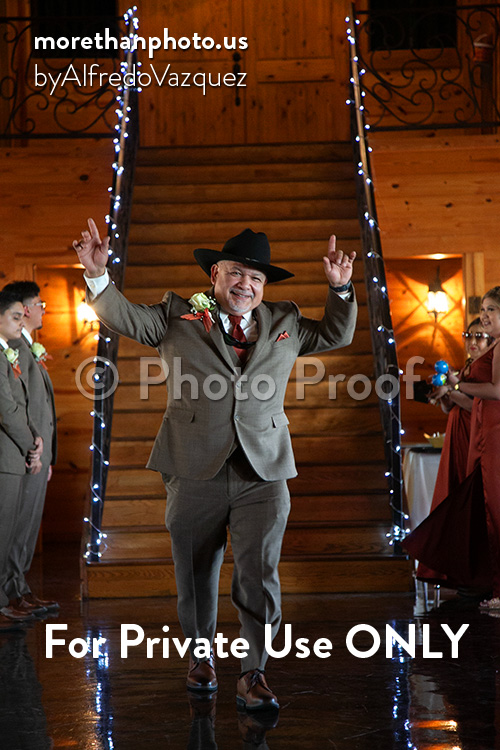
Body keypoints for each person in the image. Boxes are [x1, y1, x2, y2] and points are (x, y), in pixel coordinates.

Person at [74, 219, 357, 709]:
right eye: (235, 273)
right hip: (192, 465)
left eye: (256, 277)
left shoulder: (286, 319)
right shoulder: (175, 314)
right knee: (195, 572)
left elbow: (336, 333)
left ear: (264, 286)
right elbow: (126, 318)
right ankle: (200, 657)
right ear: (215, 276)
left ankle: (254, 672)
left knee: (259, 575)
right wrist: (98, 276)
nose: (245, 284)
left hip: (263, 470)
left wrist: (341, 288)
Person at [405, 287, 500, 607]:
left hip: (486, 432)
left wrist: (455, 386)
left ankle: (487, 583)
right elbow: (461, 403)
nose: (484, 316)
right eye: (483, 310)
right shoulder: (488, 352)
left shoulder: (496, 349)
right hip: (474, 432)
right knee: (475, 504)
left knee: (489, 506)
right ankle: (476, 576)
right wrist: (445, 393)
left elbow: (492, 395)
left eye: (491, 310)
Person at [415, 318, 491, 589]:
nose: (473, 342)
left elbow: (477, 406)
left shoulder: (488, 368)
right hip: (457, 434)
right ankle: (457, 571)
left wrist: (452, 389)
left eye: (479, 336)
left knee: (470, 498)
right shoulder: (467, 367)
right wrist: (444, 395)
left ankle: (476, 574)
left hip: (475, 436)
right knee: (453, 491)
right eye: (468, 336)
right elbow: (451, 408)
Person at [1, 281, 59, 615]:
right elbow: (17, 406)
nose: (42, 310)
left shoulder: (26, 345)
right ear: (23, 309)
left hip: (36, 449)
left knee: (24, 526)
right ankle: (12, 592)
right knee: (16, 526)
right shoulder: (14, 347)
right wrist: (33, 447)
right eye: (39, 304)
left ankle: (18, 588)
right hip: (23, 450)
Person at [0, 290, 43, 631]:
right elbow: (8, 409)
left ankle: (11, 594)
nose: (22, 321)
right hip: (9, 454)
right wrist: (33, 445)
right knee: (4, 532)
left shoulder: (8, 353)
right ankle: (4, 599)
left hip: (18, 453)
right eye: (16, 316)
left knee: (14, 530)